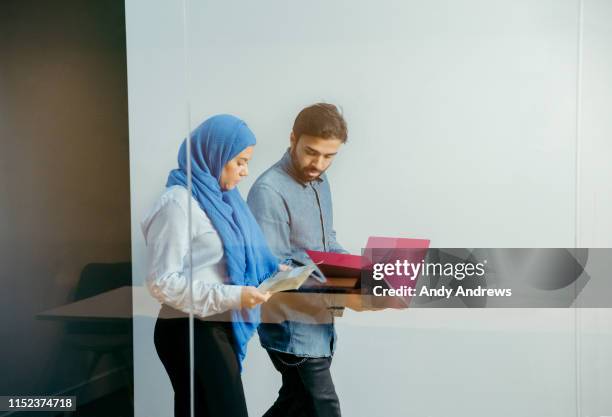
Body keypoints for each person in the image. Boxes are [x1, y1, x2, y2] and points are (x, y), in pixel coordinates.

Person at [141, 114, 279, 417]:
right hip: (187, 327)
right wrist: (235, 296)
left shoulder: (224, 201)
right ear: (215, 154)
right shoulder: (178, 204)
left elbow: (241, 256)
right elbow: (161, 282)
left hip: (217, 324)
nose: (245, 172)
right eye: (240, 162)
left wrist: (275, 272)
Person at [247, 103, 351, 417]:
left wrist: (361, 272)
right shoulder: (269, 191)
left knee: (295, 402)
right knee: (325, 408)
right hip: (292, 327)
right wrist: (336, 286)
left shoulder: (320, 182)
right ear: (293, 138)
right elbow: (271, 271)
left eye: (329, 156)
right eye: (311, 152)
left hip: (320, 325)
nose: (318, 163)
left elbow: (326, 244)